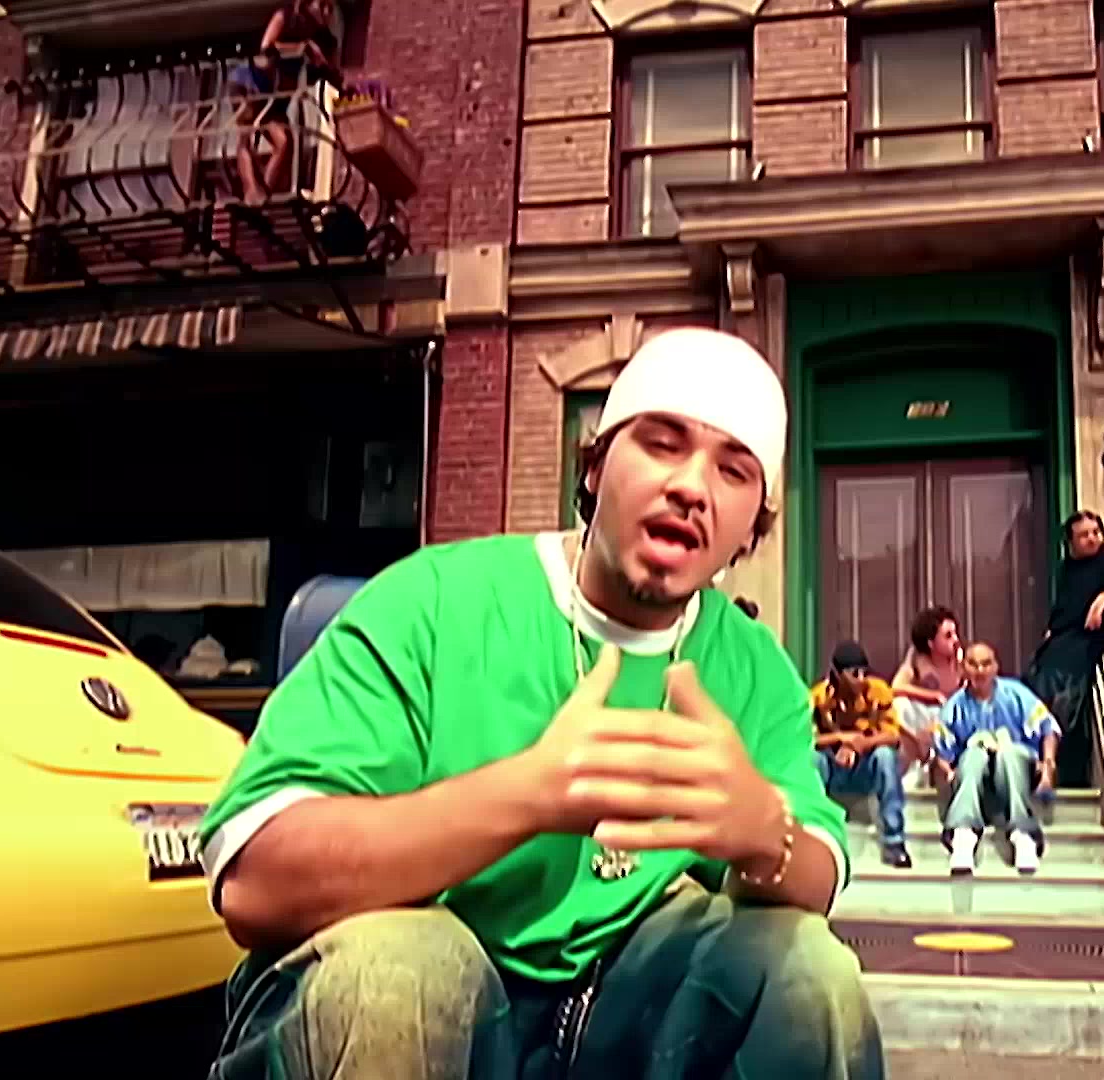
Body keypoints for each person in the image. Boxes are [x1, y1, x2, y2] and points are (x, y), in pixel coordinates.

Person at [197, 327, 883, 1080]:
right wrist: (531, 794)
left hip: (627, 1005)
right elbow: (254, 881)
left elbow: (818, 871)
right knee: (392, 974)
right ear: (594, 466)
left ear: (755, 523)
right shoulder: (435, 601)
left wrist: (762, 834)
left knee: (809, 974)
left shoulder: (752, 667)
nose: (692, 486)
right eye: (662, 443)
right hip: (425, 983)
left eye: (733, 470)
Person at [1026, 510, 1104, 788]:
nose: (1092, 539)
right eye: (1084, 535)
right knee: (1034, 686)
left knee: (1064, 695)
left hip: (1088, 641)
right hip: (1062, 640)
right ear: (1071, 541)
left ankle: (1056, 765)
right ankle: (1037, 761)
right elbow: (1062, 608)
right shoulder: (1067, 569)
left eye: (1096, 532)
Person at [933, 643, 1059, 876]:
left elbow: (1047, 728)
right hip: (975, 781)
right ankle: (963, 835)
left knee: (1008, 753)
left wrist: (1048, 767)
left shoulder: (1017, 693)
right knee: (973, 754)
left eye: (986, 664)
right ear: (963, 668)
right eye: (973, 664)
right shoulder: (954, 707)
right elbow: (942, 754)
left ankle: (1023, 834)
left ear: (996, 667)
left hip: (1016, 772)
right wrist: (949, 775)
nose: (980, 671)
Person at [811, 640, 913, 869]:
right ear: (837, 674)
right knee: (813, 760)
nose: (861, 679)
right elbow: (807, 738)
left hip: (865, 767)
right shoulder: (819, 696)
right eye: (854, 674)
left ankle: (894, 841)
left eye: (864, 672)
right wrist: (841, 739)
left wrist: (859, 744)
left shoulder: (877, 691)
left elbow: (893, 736)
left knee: (885, 756)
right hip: (834, 767)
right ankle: (813, 833)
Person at [230, 0, 342, 204]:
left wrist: (326, 66)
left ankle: (262, 195)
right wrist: (302, 47)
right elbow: (266, 49)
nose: (326, 12)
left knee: (284, 142)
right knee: (246, 135)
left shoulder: (325, 40)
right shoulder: (285, 17)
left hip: (276, 100)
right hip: (251, 84)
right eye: (322, 5)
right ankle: (251, 192)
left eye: (330, 8)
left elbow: (334, 76)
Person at [890, 605, 962, 778]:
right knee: (899, 706)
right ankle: (918, 762)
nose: (956, 639)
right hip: (925, 715)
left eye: (955, 633)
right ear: (931, 643)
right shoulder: (917, 658)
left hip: (950, 719)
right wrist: (933, 696)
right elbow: (896, 688)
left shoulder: (961, 658)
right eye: (948, 636)